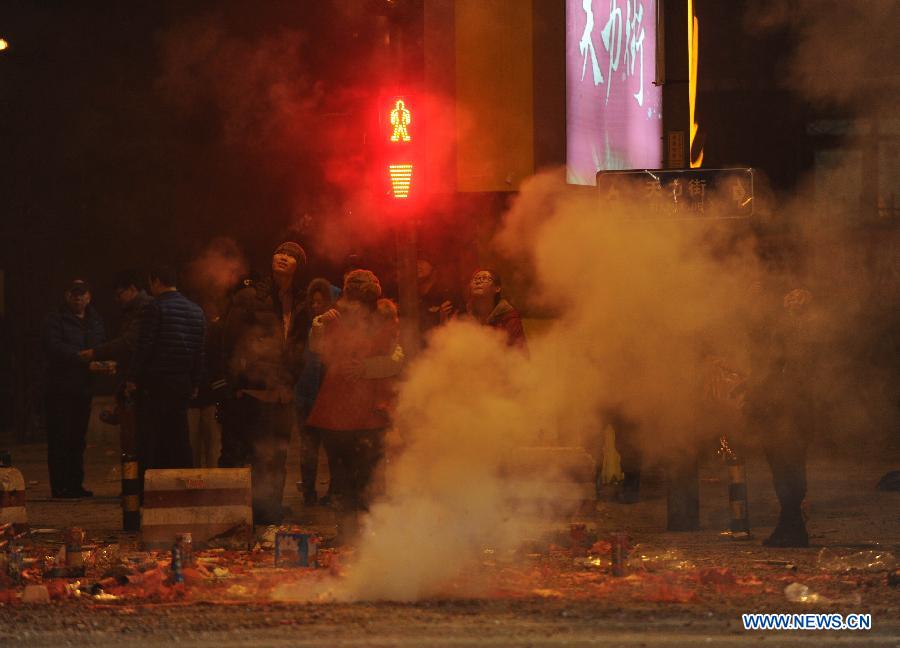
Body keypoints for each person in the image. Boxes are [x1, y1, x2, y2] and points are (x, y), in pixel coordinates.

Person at [305, 269, 403, 537]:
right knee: (343, 478)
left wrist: (366, 368)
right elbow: (318, 348)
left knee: (368, 479)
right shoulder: (335, 318)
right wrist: (319, 324)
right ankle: (347, 534)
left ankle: (367, 535)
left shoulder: (385, 318)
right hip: (338, 410)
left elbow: (398, 359)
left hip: (368, 410)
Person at [222, 241, 308, 525]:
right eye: (280, 252)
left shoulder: (301, 302)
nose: (283, 258)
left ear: (300, 266)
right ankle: (239, 517)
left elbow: (300, 347)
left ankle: (270, 513)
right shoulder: (251, 296)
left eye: (291, 255)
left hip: (281, 394)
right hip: (251, 392)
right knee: (247, 455)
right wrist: (238, 379)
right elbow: (231, 340)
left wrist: (289, 381)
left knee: (277, 457)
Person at [746, 286, 819, 547]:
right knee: (788, 468)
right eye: (789, 297)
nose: (791, 301)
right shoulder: (800, 334)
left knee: (786, 468)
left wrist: (756, 396)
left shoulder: (792, 335)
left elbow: (775, 370)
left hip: (786, 411)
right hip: (789, 410)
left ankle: (792, 526)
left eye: (797, 299)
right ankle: (791, 525)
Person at [126, 265, 206, 481]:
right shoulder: (196, 311)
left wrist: (132, 378)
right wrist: (195, 382)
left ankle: (148, 488)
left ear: (156, 281)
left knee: (150, 437)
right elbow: (199, 351)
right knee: (179, 436)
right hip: (182, 383)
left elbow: (145, 346)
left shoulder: (154, 308)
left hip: (155, 383)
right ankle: (182, 486)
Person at [42, 279, 106, 498]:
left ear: (89, 296)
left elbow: (100, 345)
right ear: (67, 296)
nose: (78, 298)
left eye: (82, 294)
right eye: (74, 294)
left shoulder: (95, 320)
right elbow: (54, 347)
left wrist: (101, 361)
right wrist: (83, 359)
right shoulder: (55, 319)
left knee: (77, 439)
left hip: (82, 388)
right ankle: (60, 487)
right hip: (60, 389)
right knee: (60, 437)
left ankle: (75, 484)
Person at [83, 270, 153, 428]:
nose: (117, 299)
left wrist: (96, 352)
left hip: (144, 382)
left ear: (132, 289)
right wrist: (118, 364)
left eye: (120, 294)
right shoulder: (134, 310)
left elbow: (130, 342)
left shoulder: (144, 308)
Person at [295, 278, 335, 506]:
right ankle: (309, 492)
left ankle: (330, 492)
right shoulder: (304, 325)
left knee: (329, 448)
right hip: (306, 394)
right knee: (308, 447)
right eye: (314, 302)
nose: (317, 306)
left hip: (326, 395)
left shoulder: (333, 324)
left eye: (322, 301)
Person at [188, 301, 226, 468]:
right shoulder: (215, 331)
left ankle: (194, 486)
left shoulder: (189, 335)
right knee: (212, 447)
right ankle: (211, 486)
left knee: (193, 446)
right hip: (208, 396)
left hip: (195, 397)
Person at [465, 269, 527, 349]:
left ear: (497, 288)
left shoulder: (508, 318)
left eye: (485, 278)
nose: (478, 282)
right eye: (475, 279)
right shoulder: (465, 313)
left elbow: (520, 353)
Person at [417, 259, 462, 338]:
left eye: (423, 259)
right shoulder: (409, 294)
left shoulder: (446, 294)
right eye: (416, 259)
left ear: (434, 267)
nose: (417, 263)